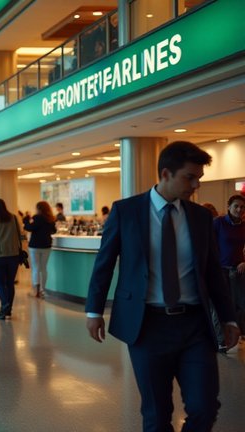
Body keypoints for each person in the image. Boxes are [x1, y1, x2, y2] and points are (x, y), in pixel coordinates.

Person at [86, 141, 240, 431]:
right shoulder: (126, 212)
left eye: (199, 178)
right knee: (156, 414)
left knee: (205, 407)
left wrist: (229, 317)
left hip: (195, 325)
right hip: (147, 325)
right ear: (166, 173)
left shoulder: (200, 217)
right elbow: (103, 264)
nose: (195, 185)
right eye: (189, 177)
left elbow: (212, 272)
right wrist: (93, 311)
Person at [212, 193, 245, 351]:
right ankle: (221, 340)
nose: (239, 209)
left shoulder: (243, 225)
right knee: (219, 306)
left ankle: (238, 334)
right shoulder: (218, 223)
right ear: (229, 207)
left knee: (240, 305)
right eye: (236, 206)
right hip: (220, 271)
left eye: (242, 207)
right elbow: (208, 244)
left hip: (238, 271)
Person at [22, 201, 57, 299]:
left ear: (38, 209)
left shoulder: (36, 218)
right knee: (43, 268)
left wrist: (25, 220)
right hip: (46, 245)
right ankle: (43, 290)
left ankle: (35, 291)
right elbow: (54, 230)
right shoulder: (50, 219)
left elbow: (29, 228)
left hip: (35, 245)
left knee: (36, 268)